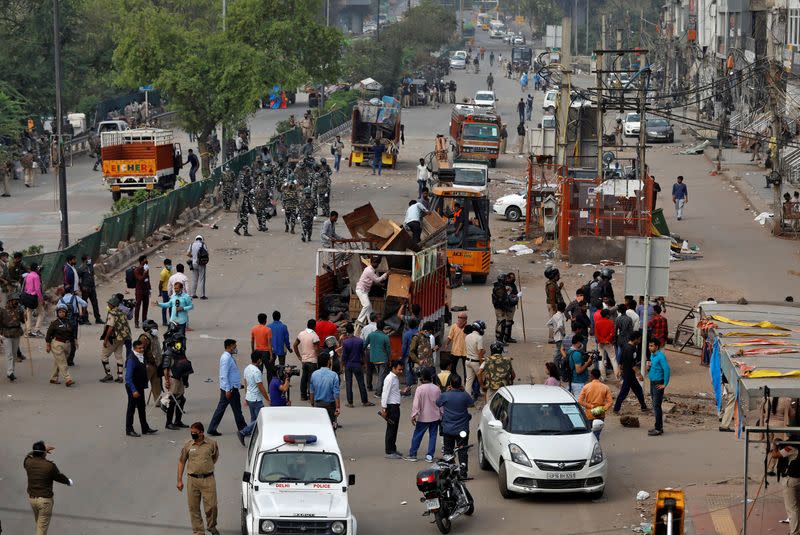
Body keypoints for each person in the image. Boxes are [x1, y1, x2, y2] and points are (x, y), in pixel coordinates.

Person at [177, 423, 220, 535]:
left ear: (201, 432)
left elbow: (214, 457)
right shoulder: (188, 445)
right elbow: (182, 462)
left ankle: (211, 526)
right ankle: (198, 531)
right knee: (194, 508)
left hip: (208, 479)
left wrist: (205, 467)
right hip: (192, 480)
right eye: (192, 432)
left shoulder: (212, 444)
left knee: (212, 506)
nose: (193, 434)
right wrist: (179, 480)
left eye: (195, 433)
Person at [24, 440, 74, 535]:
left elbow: (27, 456)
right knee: (41, 528)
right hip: (45, 502)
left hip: (32, 499)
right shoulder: (49, 466)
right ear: (44, 453)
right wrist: (68, 481)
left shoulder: (28, 463)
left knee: (40, 526)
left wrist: (37, 450)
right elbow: (59, 477)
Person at [207, 339, 248, 436]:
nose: (235, 348)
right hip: (230, 389)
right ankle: (244, 429)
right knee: (237, 410)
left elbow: (231, 374)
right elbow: (224, 375)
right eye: (234, 346)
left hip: (231, 387)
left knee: (222, 409)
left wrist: (238, 385)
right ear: (229, 346)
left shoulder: (228, 357)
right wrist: (228, 389)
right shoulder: (226, 358)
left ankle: (212, 428)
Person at [437, 374, 474, 476]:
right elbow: (471, 403)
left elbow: (438, 403)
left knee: (448, 451)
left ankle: (448, 472)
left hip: (448, 429)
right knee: (462, 450)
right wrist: (463, 390)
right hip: (462, 430)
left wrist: (446, 391)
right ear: (460, 384)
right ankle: (463, 472)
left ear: (450, 384)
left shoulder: (446, 395)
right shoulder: (464, 395)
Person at [124, 339, 158, 437]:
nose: (141, 349)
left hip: (140, 386)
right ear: (134, 348)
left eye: (142, 347)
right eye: (139, 348)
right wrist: (134, 390)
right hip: (133, 387)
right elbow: (128, 378)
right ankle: (129, 429)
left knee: (142, 407)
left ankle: (145, 428)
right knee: (131, 409)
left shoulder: (141, 356)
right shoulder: (131, 359)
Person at [407, 367, 441, 462]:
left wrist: (414, 415)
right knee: (433, 436)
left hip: (423, 417)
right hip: (435, 417)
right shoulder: (436, 388)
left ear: (422, 378)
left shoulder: (420, 389)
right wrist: (442, 414)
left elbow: (416, 404)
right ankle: (429, 456)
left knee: (417, 435)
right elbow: (440, 403)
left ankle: (413, 454)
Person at [613, 330, 648, 413]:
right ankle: (616, 409)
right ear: (635, 339)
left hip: (629, 374)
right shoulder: (629, 349)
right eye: (639, 339)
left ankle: (643, 406)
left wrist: (620, 369)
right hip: (629, 374)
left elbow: (621, 360)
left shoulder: (628, 347)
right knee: (624, 392)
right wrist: (639, 374)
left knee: (638, 390)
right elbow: (632, 364)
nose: (639, 341)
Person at [239, 353, 270, 445]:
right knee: (260, 419)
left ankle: (254, 437)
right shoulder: (256, 372)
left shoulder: (247, 368)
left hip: (250, 397)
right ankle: (243, 432)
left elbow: (245, 383)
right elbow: (260, 386)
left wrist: (246, 396)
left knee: (253, 419)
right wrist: (267, 399)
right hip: (256, 399)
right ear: (259, 360)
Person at [100, 295, 132, 383]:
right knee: (119, 356)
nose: (108, 305)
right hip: (122, 338)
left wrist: (106, 340)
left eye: (109, 304)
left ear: (112, 305)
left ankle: (108, 374)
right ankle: (120, 376)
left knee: (104, 356)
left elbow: (110, 327)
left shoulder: (112, 313)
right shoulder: (121, 312)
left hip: (113, 338)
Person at [44, 304, 75, 387]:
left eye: (63, 312)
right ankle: (68, 379)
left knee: (59, 361)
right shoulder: (54, 323)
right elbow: (48, 335)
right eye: (60, 312)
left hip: (67, 344)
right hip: (57, 344)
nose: (61, 313)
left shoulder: (69, 322)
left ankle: (53, 378)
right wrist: (48, 345)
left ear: (66, 313)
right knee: (63, 362)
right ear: (57, 313)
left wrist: (75, 342)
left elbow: (72, 333)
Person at [341, 323, 372, 407]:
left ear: (347, 332)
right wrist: (364, 364)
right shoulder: (360, 341)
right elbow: (363, 354)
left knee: (349, 383)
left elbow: (344, 356)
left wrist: (342, 365)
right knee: (361, 383)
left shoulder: (345, 342)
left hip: (348, 365)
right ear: (353, 330)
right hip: (357, 364)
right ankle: (365, 401)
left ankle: (350, 403)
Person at [578, 369, 613, 438]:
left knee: (589, 436)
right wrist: (603, 409)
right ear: (599, 376)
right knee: (596, 436)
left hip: (589, 414)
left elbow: (580, 401)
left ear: (591, 376)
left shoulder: (586, 387)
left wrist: (590, 406)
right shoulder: (605, 387)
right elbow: (610, 402)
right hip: (600, 415)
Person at [355, 256, 387, 328]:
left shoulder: (371, 270)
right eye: (377, 263)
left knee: (369, 307)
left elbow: (374, 281)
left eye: (378, 264)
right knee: (366, 305)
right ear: (373, 262)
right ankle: (359, 320)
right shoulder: (369, 270)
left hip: (363, 290)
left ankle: (370, 322)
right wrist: (386, 274)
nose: (377, 265)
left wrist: (380, 284)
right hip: (361, 290)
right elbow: (377, 280)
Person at [381, 360, 404, 459]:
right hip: (391, 407)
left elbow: (393, 391)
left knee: (394, 429)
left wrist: (400, 391)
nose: (401, 371)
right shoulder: (389, 378)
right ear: (393, 368)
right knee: (391, 429)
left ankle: (393, 449)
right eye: (399, 369)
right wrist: (384, 408)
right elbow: (385, 393)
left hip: (395, 406)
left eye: (402, 369)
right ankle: (389, 451)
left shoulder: (395, 378)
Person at [310, 353, 341, 425]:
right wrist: (338, 407)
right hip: (330, 405)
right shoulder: (334, 375)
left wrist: (312, 403)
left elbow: (312, 391)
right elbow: (336, 393)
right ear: (328, 362)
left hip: (318, 404)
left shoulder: (314, 374)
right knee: (331, 427)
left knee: (319, 426)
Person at [647, 339, 670, 436]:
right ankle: (658, 427)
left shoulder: (661, 356)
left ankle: (658, 429)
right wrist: (649, 368)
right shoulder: (652, 355)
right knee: (655, 405)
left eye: (652, 346)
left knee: (656, 406)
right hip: (652, 382)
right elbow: (654, 368)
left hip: (658, 383)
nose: (650, 347)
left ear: (656, 347)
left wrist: (665, 384)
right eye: (649, 346)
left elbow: (667, 370)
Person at [293, 319, 321, 401]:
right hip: (312, 361)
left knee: (304, 378)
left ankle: (303, 395)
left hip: (304, 360)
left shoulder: (301, 334)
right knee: (311, 379)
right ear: (314, 326)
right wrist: (319, 355)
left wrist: (299, 356)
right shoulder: (314, 336)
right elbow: (316, 349)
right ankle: (311, 396)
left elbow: (295, 345)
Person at [366, 320, 391, 397]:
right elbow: (388, 350)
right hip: (383, 359)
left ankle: (381, 390)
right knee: (381, 376)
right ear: (383, 327)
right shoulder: (385, 337)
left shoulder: (371, 335)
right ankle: (378, 393)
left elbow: (365, 345)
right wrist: (389, 360)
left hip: (374, 359)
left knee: (380, 375)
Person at [78, 255, 103, 325]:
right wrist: (82, 287)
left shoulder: (90, 266)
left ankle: (98, 318)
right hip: (85, 289)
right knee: (84, 304)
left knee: (95, 303)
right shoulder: (80, 269)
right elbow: (79, 279)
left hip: (92, 288)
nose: (90, 260)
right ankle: (85, 319)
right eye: (88, 259)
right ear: (85, 260)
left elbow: (92, 276)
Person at [594, 309, 619, 380]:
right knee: (613, 359)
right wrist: (606, 340)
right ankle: (617, 376)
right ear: (607, 315)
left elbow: (597, 334)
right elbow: (612, 333)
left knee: (600, 360)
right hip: (608, 344)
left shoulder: (597, 323)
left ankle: (603, 377)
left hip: (600, 344)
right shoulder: (610, 323)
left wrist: (602, 340)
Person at [23, 262, 44, 338]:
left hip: (28, 296)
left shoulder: (28, 275)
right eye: (38, 268)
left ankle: (28, 331)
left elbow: (25, 287)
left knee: (29, 313)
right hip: (35, 297)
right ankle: (37, 330)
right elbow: (38, 289)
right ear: (36, 268)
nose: (39, 269)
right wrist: (41, 299)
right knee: (41, 313)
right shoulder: (36, 276)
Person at [464, 323, 485, 400]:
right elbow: (480, 352)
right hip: (475, 361)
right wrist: (481, 362)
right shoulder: (479, 338)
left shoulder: (467, 336)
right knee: (481, 378)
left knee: (468, 381)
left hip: (467, 360)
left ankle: (467, 398)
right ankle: (484, 393)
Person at [446, 312, 468, 380]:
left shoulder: (468, 327)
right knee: (452, 368)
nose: (459, 319)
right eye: (458, 317)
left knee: (466, 370)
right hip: (455, 351)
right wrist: (446, 344)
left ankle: (466, 383)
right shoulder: (454, 326)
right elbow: (450, 337)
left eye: (461, 318)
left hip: (465, 352)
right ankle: (455, 381)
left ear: (465, 319)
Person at [132, 255, 151, 328]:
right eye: (145, 259)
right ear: (142, 261)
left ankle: (144, 321)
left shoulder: (146, 268)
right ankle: (136, 322)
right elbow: (140, 279)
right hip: (139, 290)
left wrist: (150, 288)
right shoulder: (137, 270)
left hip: (146, 290)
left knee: (146, 306)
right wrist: (145, 273)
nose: (146, 261)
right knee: (138, 306)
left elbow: (147, 279)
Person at [158, 259, 173, 327]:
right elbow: (160, 284)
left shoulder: (170, 270)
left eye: (170, 264)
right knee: (165, 307)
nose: (170, 265)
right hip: (165, 291)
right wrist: (160, 292)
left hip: (170, 291)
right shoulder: (163, 273)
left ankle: (171, 320)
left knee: (171, 306)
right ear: (165, 264)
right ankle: (164, 321)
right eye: (168, 264)